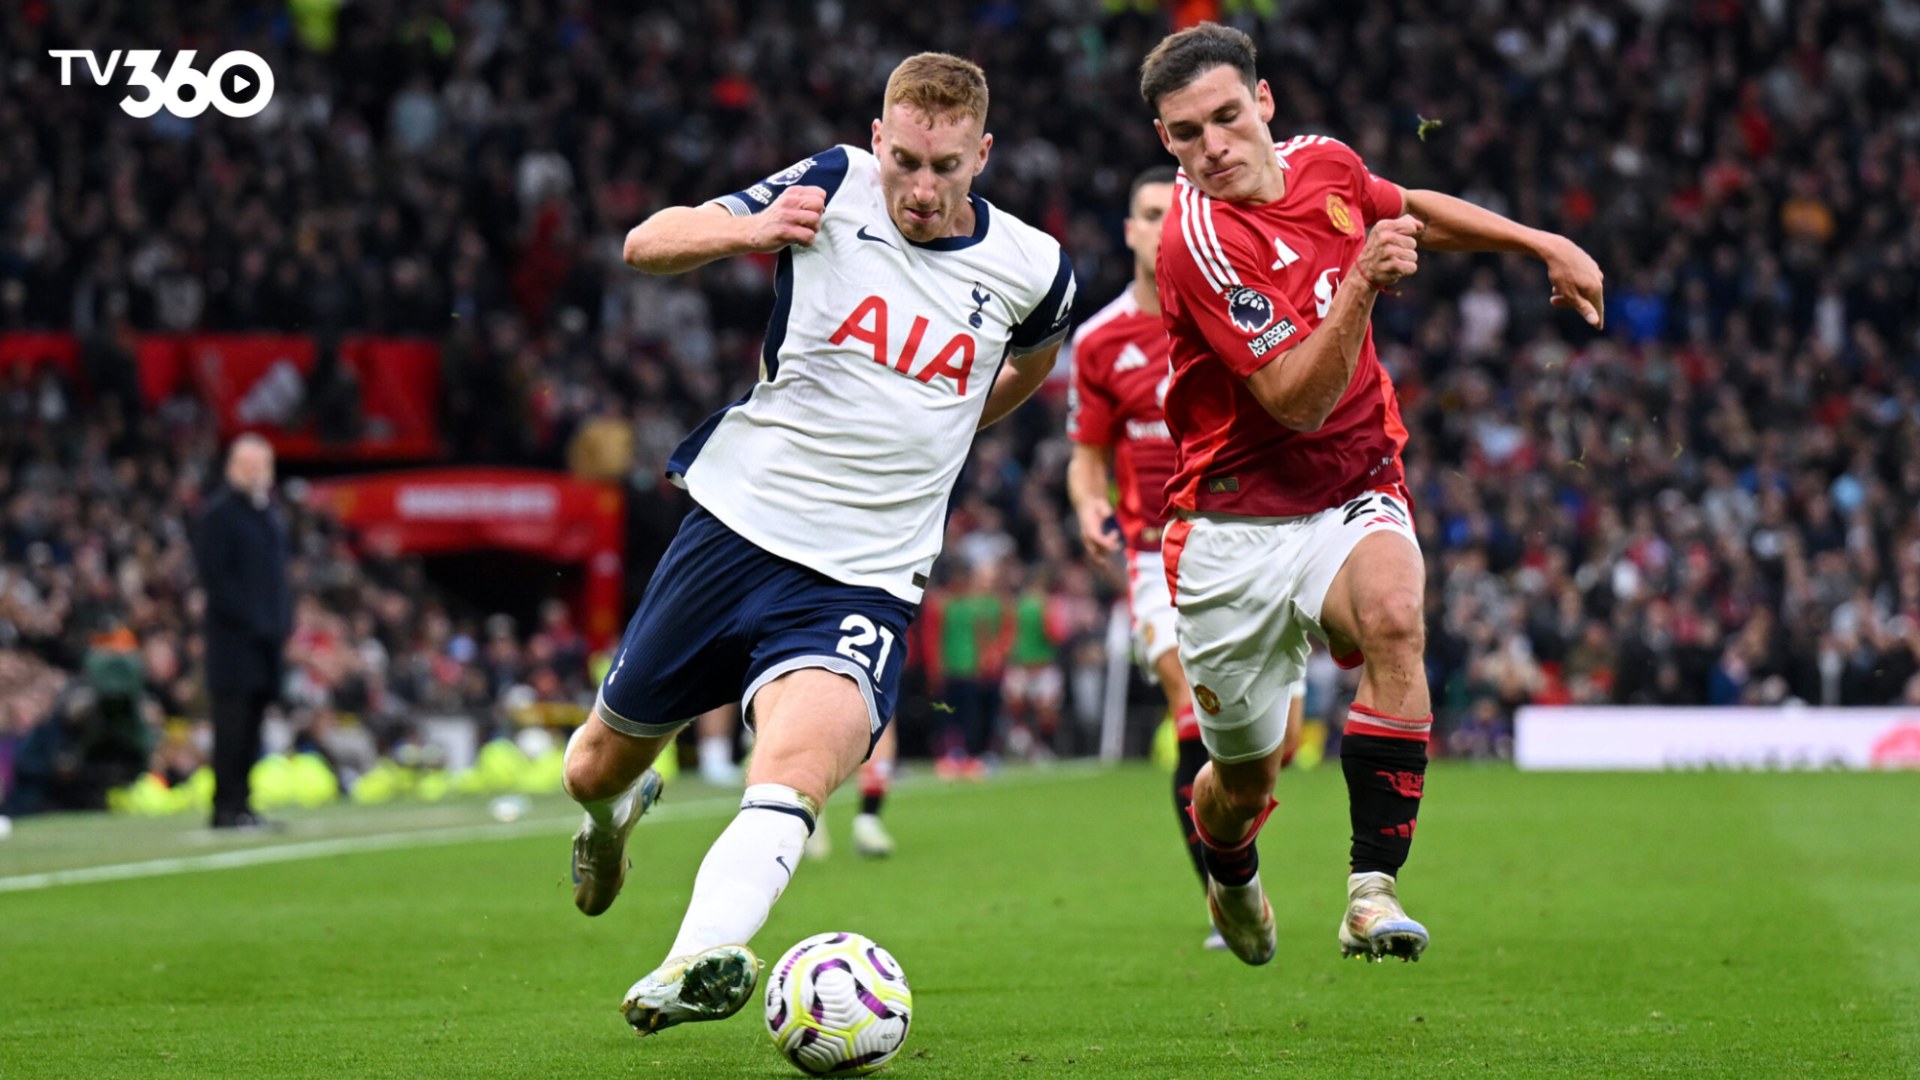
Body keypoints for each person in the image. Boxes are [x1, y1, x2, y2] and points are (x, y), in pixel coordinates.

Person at [559, 53, 1075, 1038]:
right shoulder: (832, 183)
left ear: (984, 155)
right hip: (734, 532)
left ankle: (693, 958)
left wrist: (957, 426)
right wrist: (751, 230)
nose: (923, 190)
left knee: (797, 767)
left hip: (866, 576)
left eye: (948, 167)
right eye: (908, 161)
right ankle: (609, 821)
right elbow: (645, 242)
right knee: (593, 766)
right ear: (879, 139)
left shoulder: (1036, 268)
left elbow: (1034, 359)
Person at [1139, 24, 1603, 965]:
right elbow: (1295, 403)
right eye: (1187, 135)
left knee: (1396, 614)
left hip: (1355, 484)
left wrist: (1536, 241)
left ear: (1263, 104)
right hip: (1233, 527)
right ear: (1166, 142)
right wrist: (1359, 285)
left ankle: (1369, 893)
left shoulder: (1327, 163)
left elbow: (1409, 211)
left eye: (1227, 117)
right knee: (1241, 776)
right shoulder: (1198, 245)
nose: (1212, 146)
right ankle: (1230, 865)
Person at [1066, 165, 1304, 951]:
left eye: (1174, 210)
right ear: (1131, 230)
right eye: (1145, 212)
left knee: (1269, 745)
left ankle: (1233, 858)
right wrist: (1088, 506)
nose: (1160, 222)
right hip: (1154, 551)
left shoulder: (1235, 313)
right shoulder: (1100, 341)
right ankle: (1227, 894)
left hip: (1252, 540)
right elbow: (1087, 454)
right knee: (1191, 711)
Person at [192, 434, 293, 831]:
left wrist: (280, 625)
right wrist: (256, 621)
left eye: (261, 465)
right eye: (248, 465)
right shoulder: (219, 516)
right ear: (232, 468)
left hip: (266, 642)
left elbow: (278, 581)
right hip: (234, 642)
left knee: (253, 725)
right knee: (231, 726)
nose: (255, 474)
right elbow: (216, 579)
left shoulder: (269, 514)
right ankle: (225, 806)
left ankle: (244, 804)